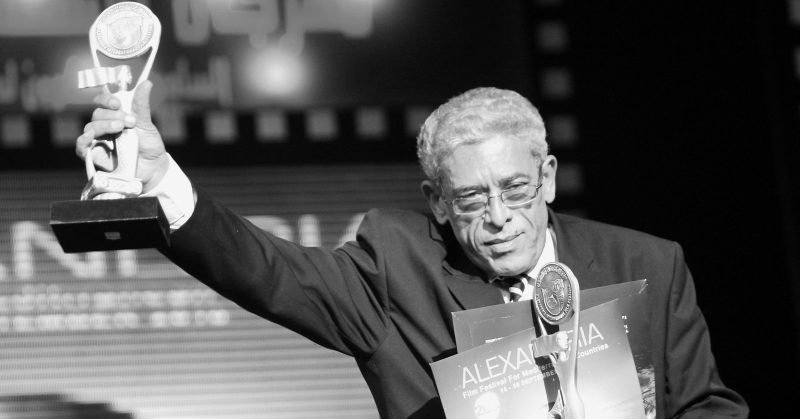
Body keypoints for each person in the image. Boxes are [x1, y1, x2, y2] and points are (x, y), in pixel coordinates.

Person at [78, 82, 748, 419]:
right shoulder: (396, 270)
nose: (498, 218)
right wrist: (158, 182)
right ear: (437, 202)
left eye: (515, 189)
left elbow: (707, 407)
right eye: (471, 198)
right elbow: (268, 271)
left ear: (547, 177)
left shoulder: (648, 265)